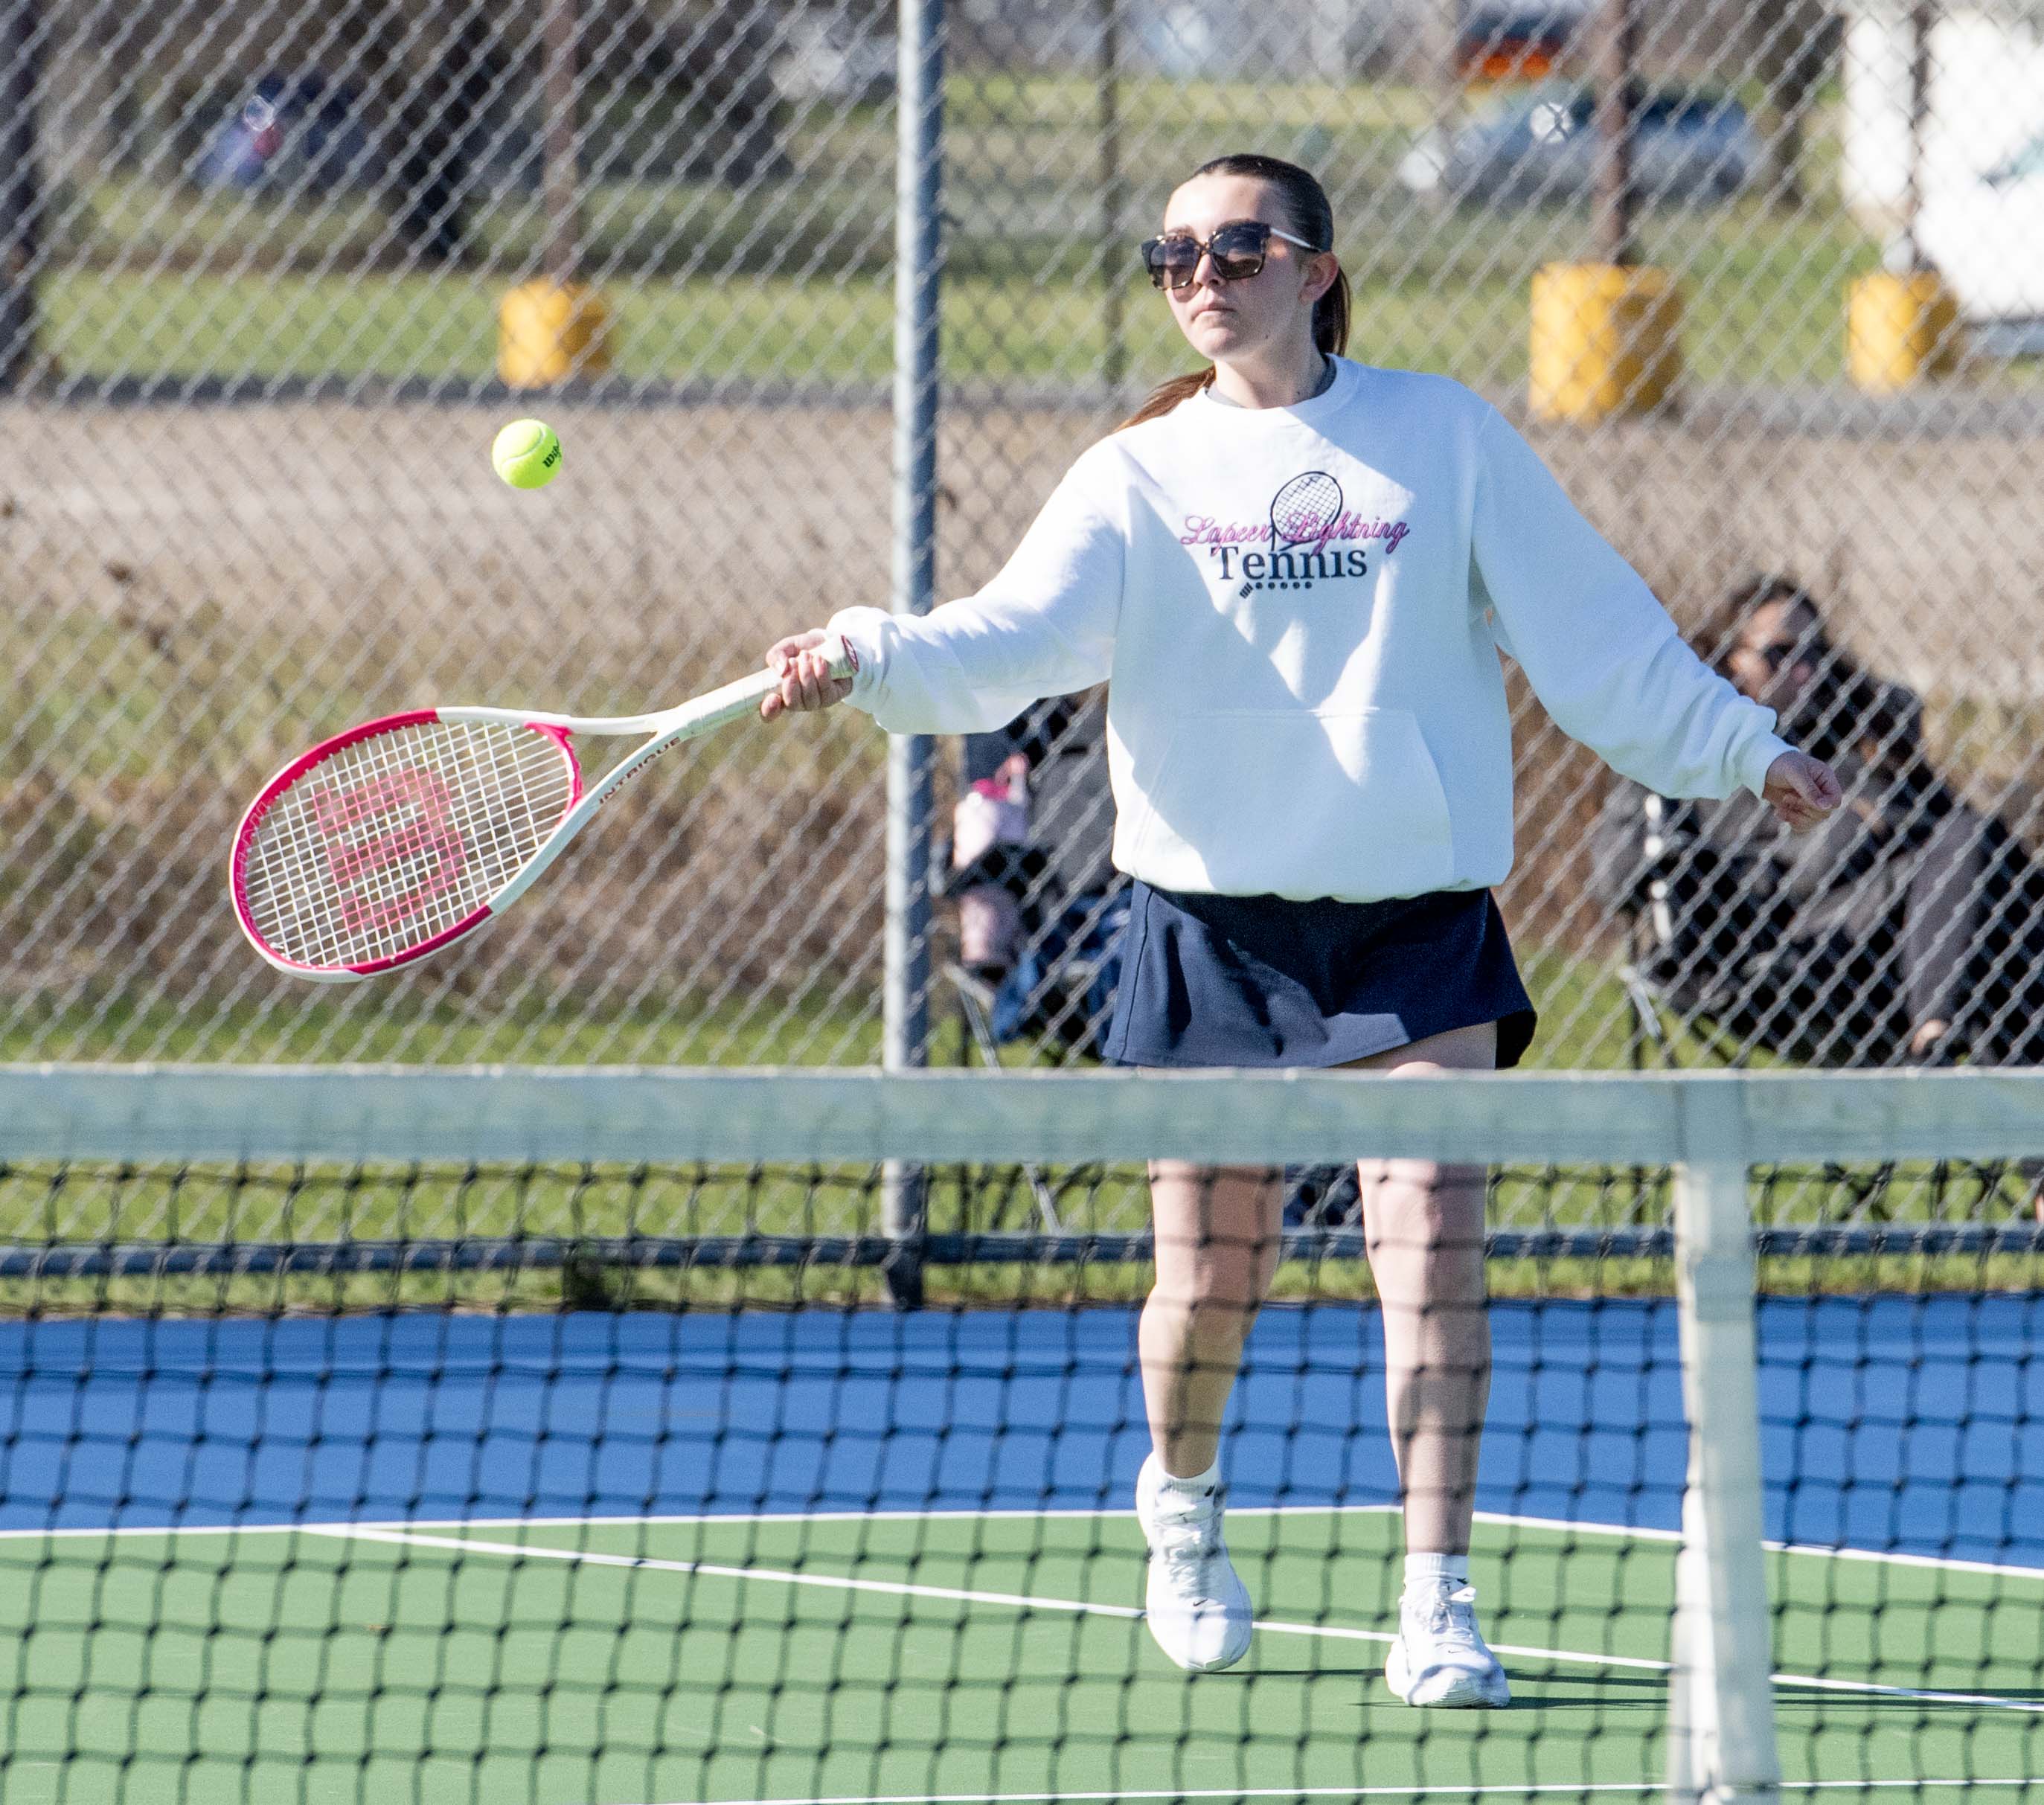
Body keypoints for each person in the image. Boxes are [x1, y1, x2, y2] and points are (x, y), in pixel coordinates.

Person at [757, 153, 1841, 1706]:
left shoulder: (1441, 439)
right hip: (1204, 930)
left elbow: (1596, 635)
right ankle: (1184, 1512)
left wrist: (1741, 744)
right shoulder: (1132, 476)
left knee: (1432, 1253)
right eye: (1172, 252)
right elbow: (998, 645)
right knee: (1208, 1281)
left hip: (1415, 931)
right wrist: (866, 651)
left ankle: (1435, 1596)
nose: (1200, 272)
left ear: (1315, 267)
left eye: (1236, 245)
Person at [1593, 575, 2044, 1075]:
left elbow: (1950, 833)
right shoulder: (1689, 756)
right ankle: (1936, 1044)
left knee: (1997, 891)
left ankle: (2000, 1114)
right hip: (1805, 950)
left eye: (1816, 653)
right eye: (1780, 654)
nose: (1805, 672)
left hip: (1915, 935)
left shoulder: (1863, 735)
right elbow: (1616, 875)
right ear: (1730, 660)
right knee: (1980, 867)